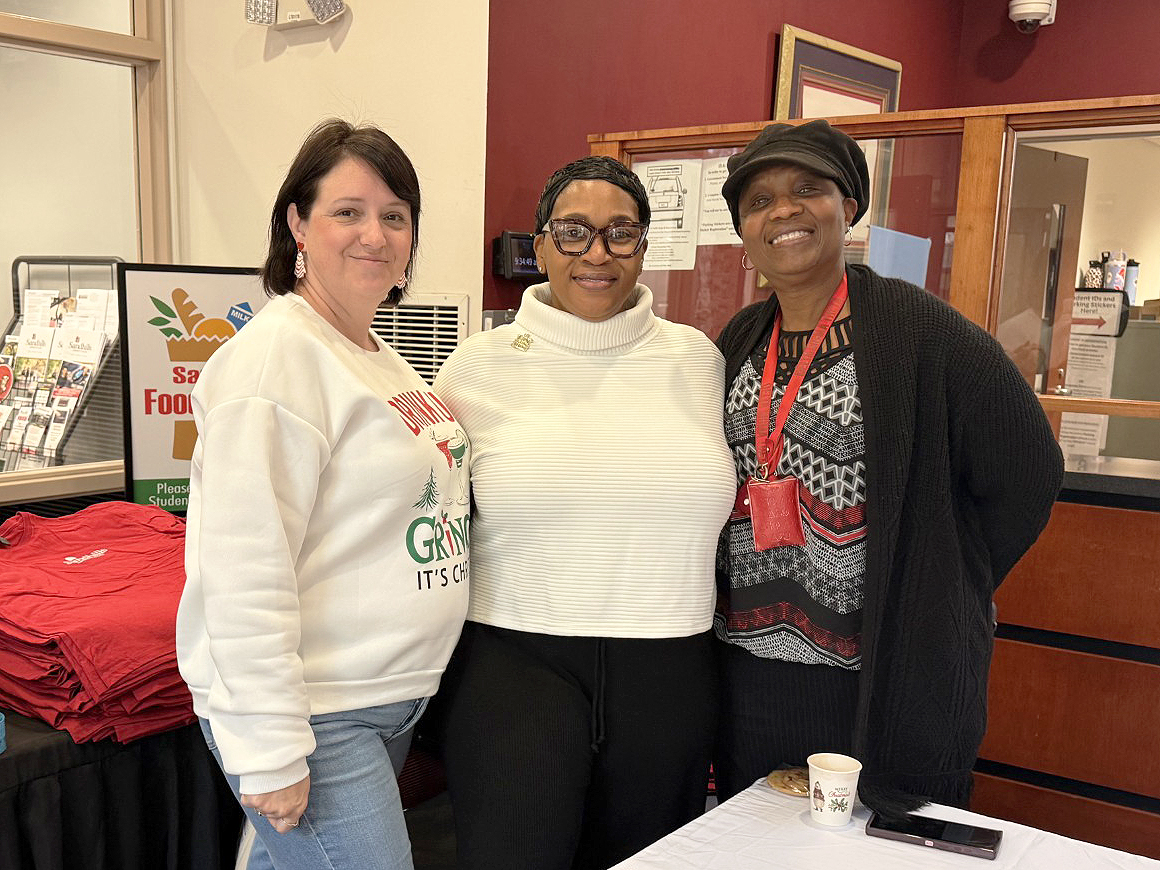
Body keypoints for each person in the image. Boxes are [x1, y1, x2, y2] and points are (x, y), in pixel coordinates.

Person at [712, 120, 1064, 816]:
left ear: (850, 206)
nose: (782, 211)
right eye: (758, 201)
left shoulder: (925, 333)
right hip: (750, 671)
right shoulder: (740, 338)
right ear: (744, 230)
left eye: (807, 190)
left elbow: (1029, 471)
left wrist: (947, 576)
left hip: (883, 676)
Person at [176, 119, 470, 870]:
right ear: (297, 225)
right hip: (318, 712)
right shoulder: (276, 359)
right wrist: (270, 750)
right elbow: (244, 568)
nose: (375, 233)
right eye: (349, 211)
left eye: (395, 215)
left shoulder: (377, 355)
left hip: (385, 697)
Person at [431, 156, 736, 869]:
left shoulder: (699, 361)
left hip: (672, 672)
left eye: (619, 233)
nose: (596, 253)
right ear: (539, 246)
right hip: (514, 668)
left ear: (643, 245)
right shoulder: (475, 366)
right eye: (572, 233)